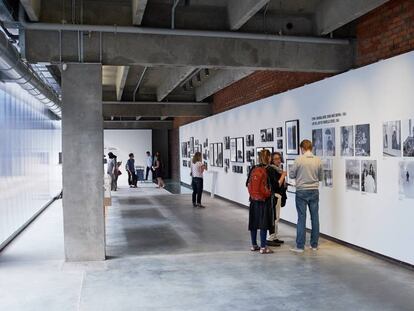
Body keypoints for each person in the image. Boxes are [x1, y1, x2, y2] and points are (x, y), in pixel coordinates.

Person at [289, 140, 323, 253]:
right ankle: (314, 245)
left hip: (301, 191)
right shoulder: (318, 160)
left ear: (301, 148)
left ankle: (300, 246)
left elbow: (291, 174)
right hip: (314, 190)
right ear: (311, 148)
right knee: (315, 218)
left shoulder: (299, 159)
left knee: (301, 218)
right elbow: (321, 177)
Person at [246, 149, 279, 254]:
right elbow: (276, 186)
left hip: (253, 200)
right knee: (264, 223)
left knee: (254, 222)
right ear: (269, 158)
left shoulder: (254, 168)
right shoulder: (270, 169)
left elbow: (247, 183)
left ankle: (254, 245)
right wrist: (282, 176)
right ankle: (263, 247)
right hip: (265, 201)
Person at [267, 152, 287, 246]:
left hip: (278, 195)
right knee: (274, 217)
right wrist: (283, 175)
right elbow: (276, 184)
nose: (278, 160)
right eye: (275, 159)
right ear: (271, 159)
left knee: (277, 217)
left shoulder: (278, 169)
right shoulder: (271, 169)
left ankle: (274, 237)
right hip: (274, 196)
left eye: (279, 158)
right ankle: (270, 238)